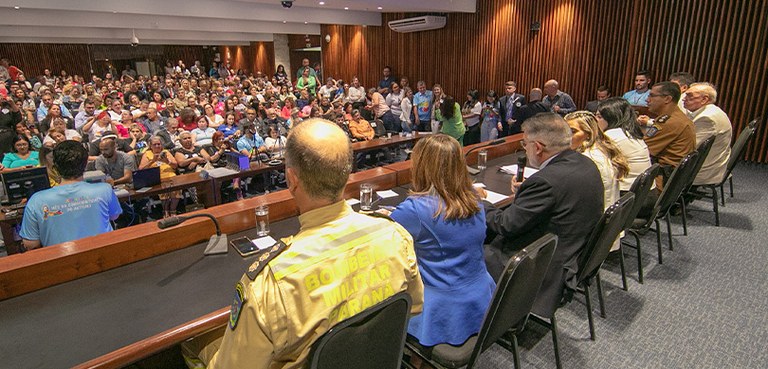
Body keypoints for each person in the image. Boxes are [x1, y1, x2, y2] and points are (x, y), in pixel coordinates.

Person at [183, 119, 424, 368]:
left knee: (195, 342)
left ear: (291, 179)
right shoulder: (395, 236)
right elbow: (413, 307)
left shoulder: (270, 284)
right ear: (347, 172)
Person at [481, 112, 603, 318]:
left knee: (466, 249)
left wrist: (477, 201)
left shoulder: (545, 181)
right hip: (569, 251)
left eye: (524, 144)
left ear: (537, 147)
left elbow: (505, 225)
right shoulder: (585, 164)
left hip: (541, 265)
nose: (524, 149)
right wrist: (525, 194)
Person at [389, 134, 495, 347]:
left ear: (421, 166)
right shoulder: (474, 198)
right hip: (481, 296)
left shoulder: (414, 210)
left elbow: (385, 238)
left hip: (440, 309)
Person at [19, 140, 121, 249]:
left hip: (61, 262)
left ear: (55, 166)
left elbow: (31, 243)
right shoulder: (104, 189)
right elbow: (114, 215)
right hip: (104, 257)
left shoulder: (36, 200)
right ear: (86, 163)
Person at [565, 111, 629, 250]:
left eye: (573, 131)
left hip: (590, 233)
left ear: (588, 134)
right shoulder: (602, 149)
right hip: (605, 228)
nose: (566, 137)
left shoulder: (588, 160)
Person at [643, 81, 696, 189]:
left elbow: (643, 149)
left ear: (667, 99)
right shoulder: (673, 116)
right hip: (670, 177)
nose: (647, 99)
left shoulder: (670, 122)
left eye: (652, 96)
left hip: (662, 180)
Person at [596, 97, 653, 192]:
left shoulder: (612, 135)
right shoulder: (632, 133)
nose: (595, 120)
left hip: (627, 196)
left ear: (612, 118)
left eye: (599, 117)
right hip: (646, 193)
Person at [683, 82, 732, 186]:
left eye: (689, 96)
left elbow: (689, 149)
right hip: (712, 163)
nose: (683, 99)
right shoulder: (712, 110)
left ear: (704, 99)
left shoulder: (706, 119)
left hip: (703, 171)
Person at [139, 136, 180, 218]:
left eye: (159, 144)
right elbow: (141, 169)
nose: (157, 146)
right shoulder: (147, 154)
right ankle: (165, 211)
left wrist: (167, 161)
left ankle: (173, 210)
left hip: (170, 175)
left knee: (175, 189)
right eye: (155, 144)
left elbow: (175, 166)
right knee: (164, 190)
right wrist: (152, 161)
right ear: (150, 146)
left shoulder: (166, 152)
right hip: (156, 178)